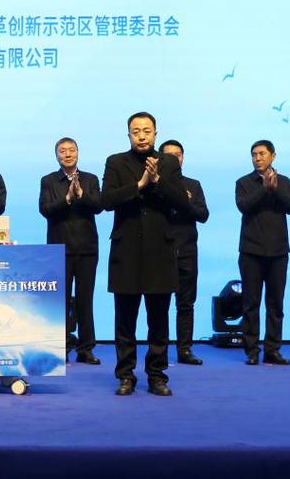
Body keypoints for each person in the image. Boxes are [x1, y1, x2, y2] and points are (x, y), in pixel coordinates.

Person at [101, 112, 189, 396]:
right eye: (136, 131)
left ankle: (157, 376)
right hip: (125, 251)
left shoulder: (169, 163)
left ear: (155, 133)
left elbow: (181, 201)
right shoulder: (116, 162)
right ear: (128, 134)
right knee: (125, 321)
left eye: (147, 131)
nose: (141, 136)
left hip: (160, 251)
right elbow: (106, 200)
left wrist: (157, 179)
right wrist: (139, 184)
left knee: (159, 320)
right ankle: (126, 375)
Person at [38, 137, 103, 364]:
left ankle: (86, 349)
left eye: (71, 150)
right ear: (57, 155)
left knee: (86, 299)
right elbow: (45, 209)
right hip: (59, 248)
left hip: (87, 248)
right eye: (62, 151)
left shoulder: (90, 179)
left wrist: (81, 195)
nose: (67, 154)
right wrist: (66, 199)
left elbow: (99, 206)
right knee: (61, 301)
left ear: (78, 153)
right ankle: (61, 347)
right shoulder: (48, 180)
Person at [235, 139, 290, 366]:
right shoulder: (244, 182)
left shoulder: (285, 182)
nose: (257, 158)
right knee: (250, 304)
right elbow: (244, 206)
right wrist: (264, 189)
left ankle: (272, 350)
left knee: (275, 304)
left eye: (262, 154)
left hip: (278, 252)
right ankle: (252, 351)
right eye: (254, 154)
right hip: (251, 251)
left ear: (273, 156)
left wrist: (275, 188)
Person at [158, 139, 210, 366]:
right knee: (159, 305)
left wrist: (185, 202)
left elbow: (203, 215)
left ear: (183, 158)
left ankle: (185, 350)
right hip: (160, 251)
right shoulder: (154, 184)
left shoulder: (193, 185)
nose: (174, 159)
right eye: (168, 155)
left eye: (177, 155)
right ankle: (159, 351)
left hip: (187, 251)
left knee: (186, 303)